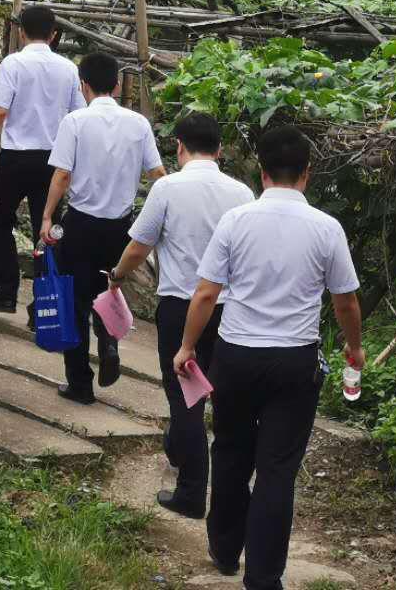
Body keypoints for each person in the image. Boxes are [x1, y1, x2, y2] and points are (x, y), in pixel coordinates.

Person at [174, 125, 363, 589]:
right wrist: (353, 347)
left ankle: (223, 548)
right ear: (307, 174)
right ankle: (263, 577)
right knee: (278, 469)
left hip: (237, 357)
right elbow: (345, 302)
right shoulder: (326, 227)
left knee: (232, 451)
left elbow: (205, 294)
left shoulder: (237, 222)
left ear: (261, 173)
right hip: (294, 364)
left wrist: (187, 346)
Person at [108, 112, 253, 519]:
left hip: (179, 307)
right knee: (220, 399)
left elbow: (139, 246)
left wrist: (117, 277)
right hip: (229, 312)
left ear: (179, 146)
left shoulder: (168, 188)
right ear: (220, 150)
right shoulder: (242, 193)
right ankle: (219, 483)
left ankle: (191, 492)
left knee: (184, 399)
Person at [40, 52, 164, 405]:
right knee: (108, 288)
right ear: (116, 85)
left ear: (84, 85)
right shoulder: (138, 124)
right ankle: (108, 342)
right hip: (119, 229)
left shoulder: (76, 122)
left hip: (80, 224)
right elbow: (158, 174)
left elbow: (62, 175)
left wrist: (48, 217)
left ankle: (80, 383)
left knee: (75, 302)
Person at [0, 5, 84, 315]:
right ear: (54, 34)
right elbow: (78, 117)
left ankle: (5, 293)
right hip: (52, 161)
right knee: (48, 230)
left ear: (21, 32)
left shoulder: (14, 64)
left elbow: (0, 112)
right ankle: (45, 305)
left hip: (16, 159)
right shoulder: (68, 69)